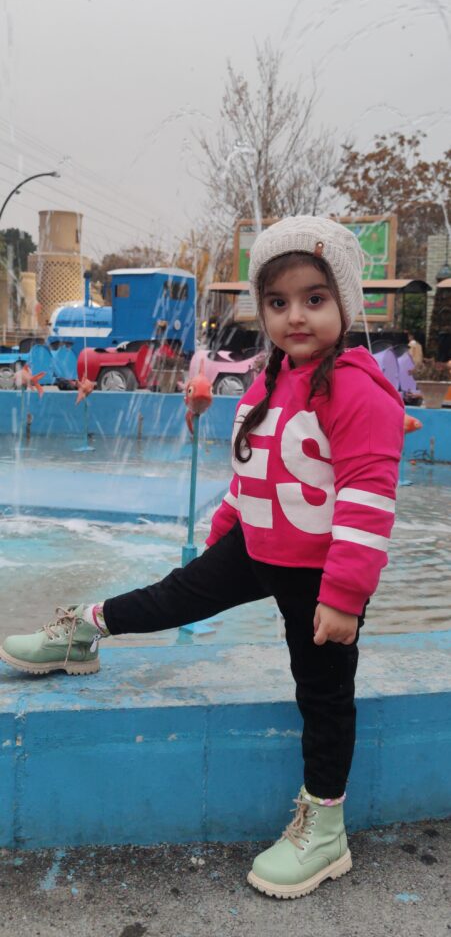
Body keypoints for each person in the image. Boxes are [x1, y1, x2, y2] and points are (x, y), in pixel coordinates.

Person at [0, 216, 404, 900]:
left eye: (314, 298)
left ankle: (324, 830)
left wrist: (343, 596)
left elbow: (368, 502)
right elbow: (252, 471)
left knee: (323, 695)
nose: (294, 316)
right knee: (171, 595)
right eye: (277, 302)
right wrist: (223, 531)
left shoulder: (357, 390)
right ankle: (83, 630)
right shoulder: (269, 380)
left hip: (320, 573)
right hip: (253, 546)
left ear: (345, 303)